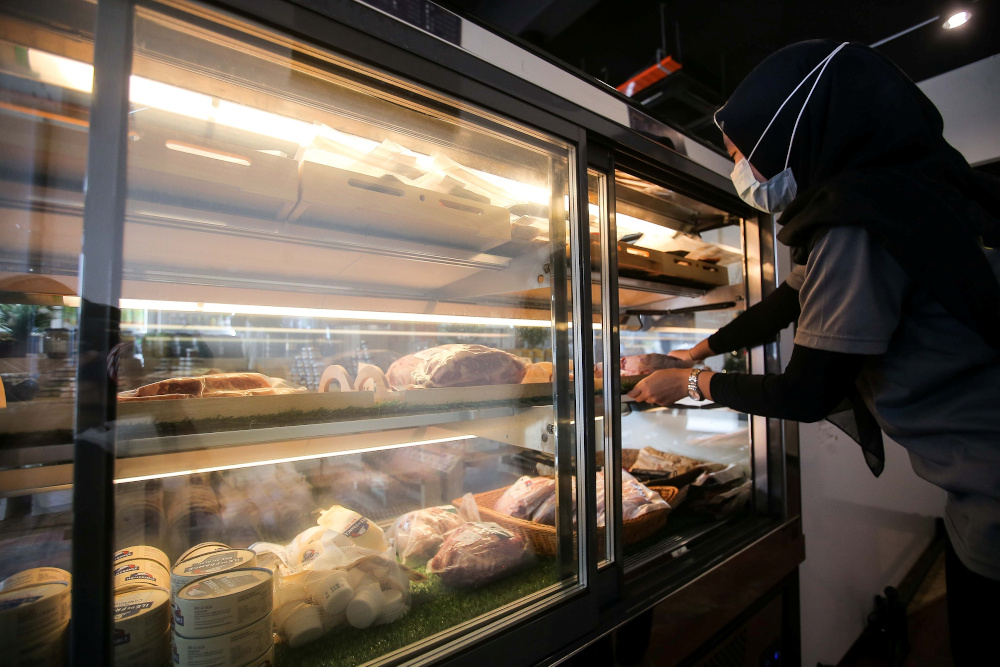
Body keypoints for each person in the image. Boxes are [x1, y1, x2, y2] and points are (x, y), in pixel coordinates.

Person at [627, 40, 1000, 665]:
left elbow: (808, 392)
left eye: (742, 152)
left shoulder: (856, 222)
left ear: (793, 137)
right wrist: (701, 348)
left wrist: (694, 387)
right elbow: (791, 299)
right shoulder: (901, 189)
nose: (741, 169)